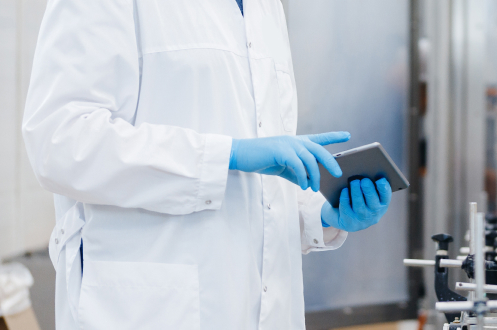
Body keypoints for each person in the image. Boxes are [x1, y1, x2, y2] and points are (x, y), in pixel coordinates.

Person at [21, 0, 391, 329]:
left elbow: (258, 193)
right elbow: (60, 141)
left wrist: (321, 216)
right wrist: (226, 155)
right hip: (148, 309)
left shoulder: (266, 8)